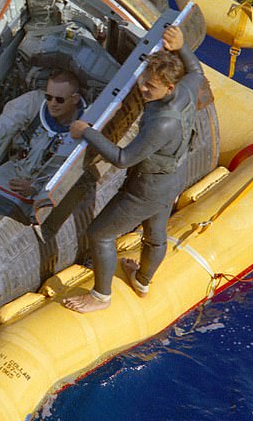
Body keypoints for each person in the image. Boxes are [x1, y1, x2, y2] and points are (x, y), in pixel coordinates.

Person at [62, 25, 203, 313]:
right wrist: (181, 46)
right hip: (171, 179)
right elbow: (196, 72)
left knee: (100, 234)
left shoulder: (163, 122)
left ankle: (101, 297)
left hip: (146, 189)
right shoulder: (186, 89)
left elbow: (124, 158)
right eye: (143, 81)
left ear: (169, 88)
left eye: (150, 87)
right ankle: (142, 281)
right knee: (155, 235)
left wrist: (86, 131)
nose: (142, 88)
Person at [0, 70, 84, 196]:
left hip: (48, 188)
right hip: (15, 171)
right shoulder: (34, 102)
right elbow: (3, 124)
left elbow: (78, 171)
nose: (52, 104)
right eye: (49, 97)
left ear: (74, 99)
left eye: (59, 100)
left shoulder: (89, 124)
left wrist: (36, 187)